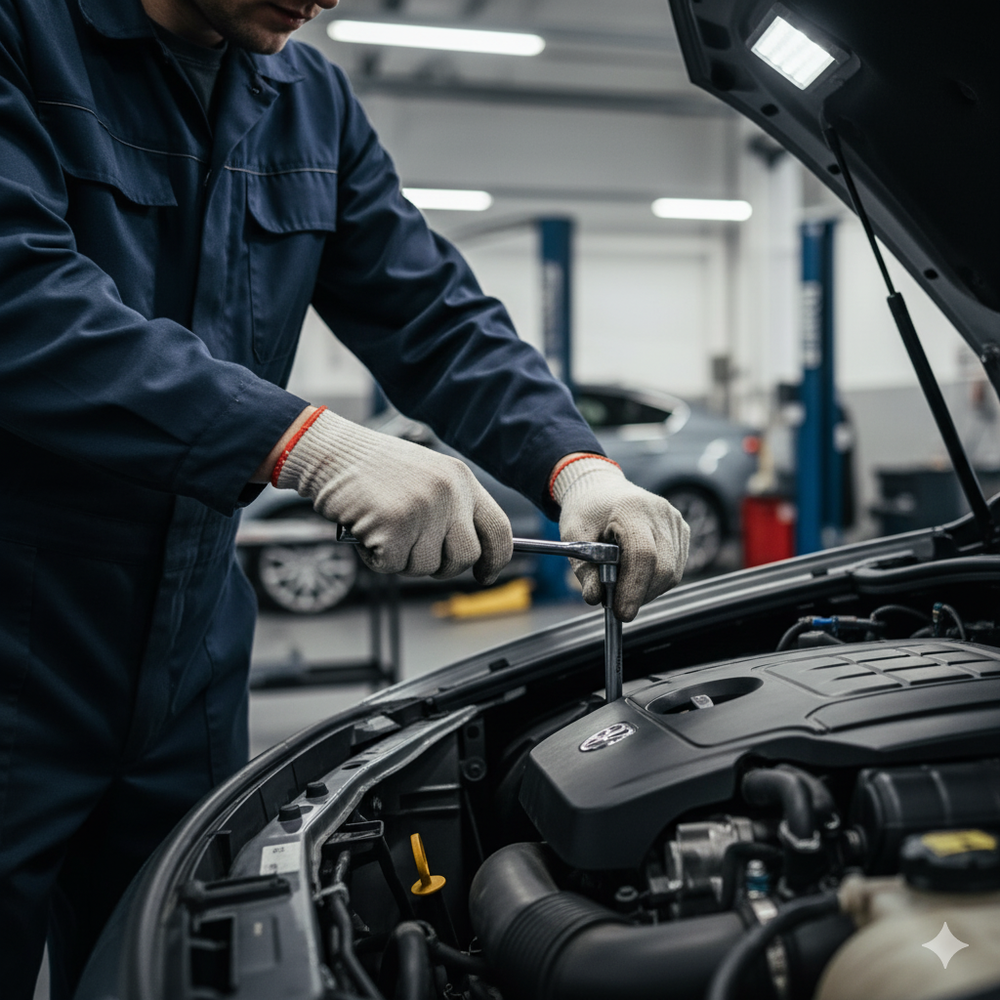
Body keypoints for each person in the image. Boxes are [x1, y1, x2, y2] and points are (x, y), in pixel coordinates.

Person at [0, 0, 690, 995]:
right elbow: (19, 295)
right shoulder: (24, 33)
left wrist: (575, 465)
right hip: (19, 632)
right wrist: (299, 442)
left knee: (164, 968)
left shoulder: (305, 98)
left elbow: (431, 312)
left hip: (189, 651)